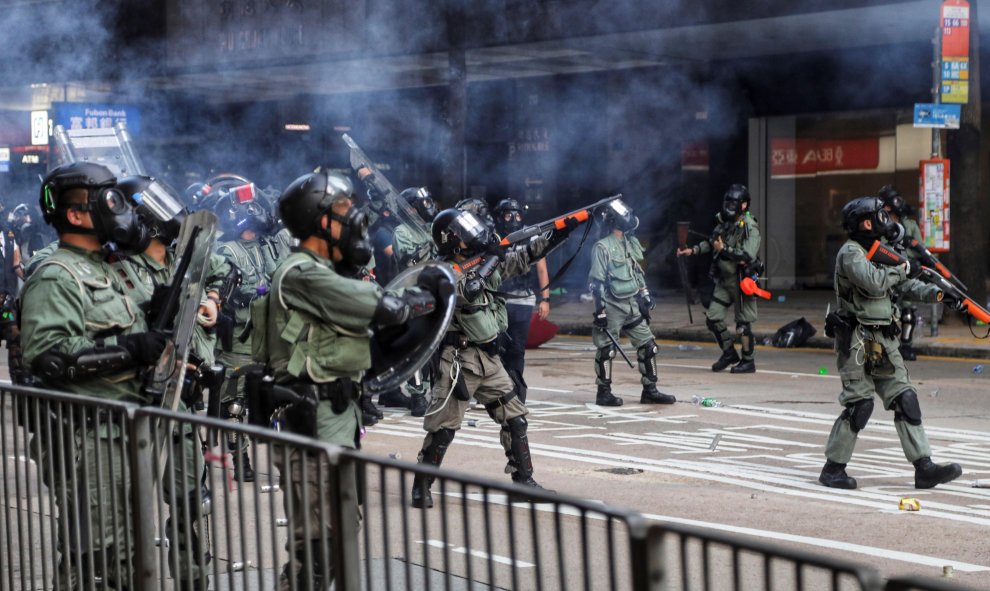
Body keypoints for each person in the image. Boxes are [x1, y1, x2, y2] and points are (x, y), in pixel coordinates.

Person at [257, 171, 448, 588]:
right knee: (321, 546)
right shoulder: (301, 273)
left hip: (337, 421)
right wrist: (424, 294)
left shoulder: (327, 272)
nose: (355, 218)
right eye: (344, 209)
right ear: (319, 219)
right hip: (310, 426)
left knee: (337, 532)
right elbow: (383, 306)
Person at [20, 162, 206, 589]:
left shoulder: (118, 269)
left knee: (131, 552)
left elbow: (147, 335)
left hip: (130, 431)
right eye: (108, 199)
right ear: (75, 215)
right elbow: (49, 358)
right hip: (89, 439)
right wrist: (129, 351)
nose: (119, 209)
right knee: (102, 556)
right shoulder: (57, 275)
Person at [410, 207, 553, 509]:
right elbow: (469, 290)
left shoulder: (483, 261)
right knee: (443, 428)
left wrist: (553, 234)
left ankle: (523, 481)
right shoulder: (440, 271)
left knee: (515, 418)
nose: (472, 233)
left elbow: (521, 259)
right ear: (451, 240)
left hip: (489, 357)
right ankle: (422, 484)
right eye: (463, 231)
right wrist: (492, 257)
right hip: (459, 360)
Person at [818, 196, 962, 491]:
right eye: (879, 215)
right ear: (866, 223)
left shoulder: (882, 253)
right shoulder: (851, 253)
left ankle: (924, 467)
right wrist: (904, 266)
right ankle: (833, 469)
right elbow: (874, 282)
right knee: (860, 405)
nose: (887, 220)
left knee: (906, 399)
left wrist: (940, 294)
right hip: (857, 338)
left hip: (883, 337)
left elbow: (906, 285)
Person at [214, 183, 281, 481]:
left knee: (275, 396)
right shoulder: (225, 250)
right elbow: (231, 289)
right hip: (240, 336)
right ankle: (239, 459)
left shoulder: (267, 245)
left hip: (269, 334)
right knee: (235, 402)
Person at [589, 200, 675, 407]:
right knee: (607, 350)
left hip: (631, 304)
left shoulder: (629, 242)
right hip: (612, 306)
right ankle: (604, 392)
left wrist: (645, 296)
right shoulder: (603, 247)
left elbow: (636, 272)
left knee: (649, 346)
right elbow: (596, 283)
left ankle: (650, 390)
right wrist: (599, 311)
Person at [677, 184, 762, 374]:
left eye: (733, 203)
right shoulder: (725, 223)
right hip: (724, 280)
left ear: (744, 204)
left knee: (743, 325)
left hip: (742, 281)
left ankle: (748, 361)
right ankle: (729, 353)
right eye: (727, 202)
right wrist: (692, 250)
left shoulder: (750, 226)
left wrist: (724, 250)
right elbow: (711, 242)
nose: (729, 207)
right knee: (713, 318)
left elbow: (748, 254)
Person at [387, 186, 439, 416]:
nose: (428, 207)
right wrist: (432, 242)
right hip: (413, 295)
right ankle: (418, 394)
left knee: (436, 345)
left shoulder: (431, 228)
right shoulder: (402, 231)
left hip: (435, 293)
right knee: (416, 349)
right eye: (423, 203)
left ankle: (439, 390)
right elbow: (409, 263)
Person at [493, 198, 550, 402]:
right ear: (500, 217)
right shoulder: (493, 238)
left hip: (523, 300)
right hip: (497, 302)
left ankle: (517, 394)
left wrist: (545, 298)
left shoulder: (531, 237)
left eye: (517, 215)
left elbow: (541, 268)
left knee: (517, 349)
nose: (513, 219)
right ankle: (498, 392)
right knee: (496, 349)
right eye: (508, 215)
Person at [879, 185, 923, 361]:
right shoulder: (880, 226)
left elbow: (920, 249)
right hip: (887, 274)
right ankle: (887, 347)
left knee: (909, 310)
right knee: (886, 311)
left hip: (907, 273)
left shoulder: (910, 225)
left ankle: (906, 344)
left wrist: (911, 260)